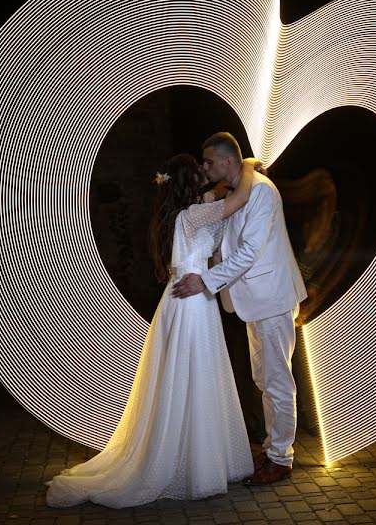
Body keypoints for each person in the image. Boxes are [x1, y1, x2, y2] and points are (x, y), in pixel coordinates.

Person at [45, 153, 262, 508]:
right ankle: (195, 465)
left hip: (187, 298)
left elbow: (217, 196)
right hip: (191, 302)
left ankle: (197, 459)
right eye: (199, 173)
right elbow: (237, 200)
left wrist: (220, 183)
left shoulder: (184, 213)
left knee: (192, 376)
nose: (206, 177)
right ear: (190, 183)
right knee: (194, 375)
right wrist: (250, 166)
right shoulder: (195, 214)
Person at [172, 132, 308, 485]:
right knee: (265, 379)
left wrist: (206, 281)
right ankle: (273, 450)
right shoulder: (235, 193)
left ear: (228, 161)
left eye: (210, 162)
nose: (206, 167)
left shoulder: (259, 191)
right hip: (254, 300)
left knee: (277, 382)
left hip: (271, 297)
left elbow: (250, 252)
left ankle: (280, 459)